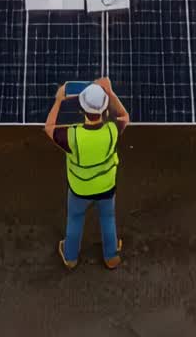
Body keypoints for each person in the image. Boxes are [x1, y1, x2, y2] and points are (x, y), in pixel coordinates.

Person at [44, 76, 130, 270]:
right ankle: (111, 257)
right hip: (106, 187)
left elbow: (48, 128)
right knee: (108, 218)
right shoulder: (112, 130)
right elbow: (125, 116)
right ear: (104, 108)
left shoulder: (72, 135)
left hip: (79, 189)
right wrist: (110, 92)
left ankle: (71, 257)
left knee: (75, 219)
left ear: (82, 109)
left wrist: (58, 100)